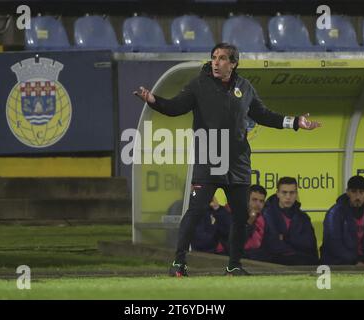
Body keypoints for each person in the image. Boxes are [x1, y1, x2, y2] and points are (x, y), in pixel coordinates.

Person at [134, 43, 321, 276]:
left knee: (241, 217)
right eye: (214, 57)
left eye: (222, 58)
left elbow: (263, 115)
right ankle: (178, 264)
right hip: (209, 160)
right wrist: (153, 100)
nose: (216, 62)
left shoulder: (245, 88)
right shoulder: (198, 85)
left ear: (233, 64)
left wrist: (294, 122)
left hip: (238, 164)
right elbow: (175, 107)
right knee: (195, 211)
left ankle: (233, 265)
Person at [321, 175, 364, 266]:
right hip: (340, 264)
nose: (357, 196)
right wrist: (355, 262)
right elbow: (334, 245)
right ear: (347, 192)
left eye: (361, 192)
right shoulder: (335, 214)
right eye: (354, 192)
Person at [262, 177, 319, 265]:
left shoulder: (303, 218)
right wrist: (295, 241)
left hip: (302, 263)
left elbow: (310, 245)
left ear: (296, 194)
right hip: (273, 264)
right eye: (284, 193)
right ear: (277, 193)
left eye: (292, 193)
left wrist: (284, 238)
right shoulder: (266, 215)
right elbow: (270, 245)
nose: (288, 197)